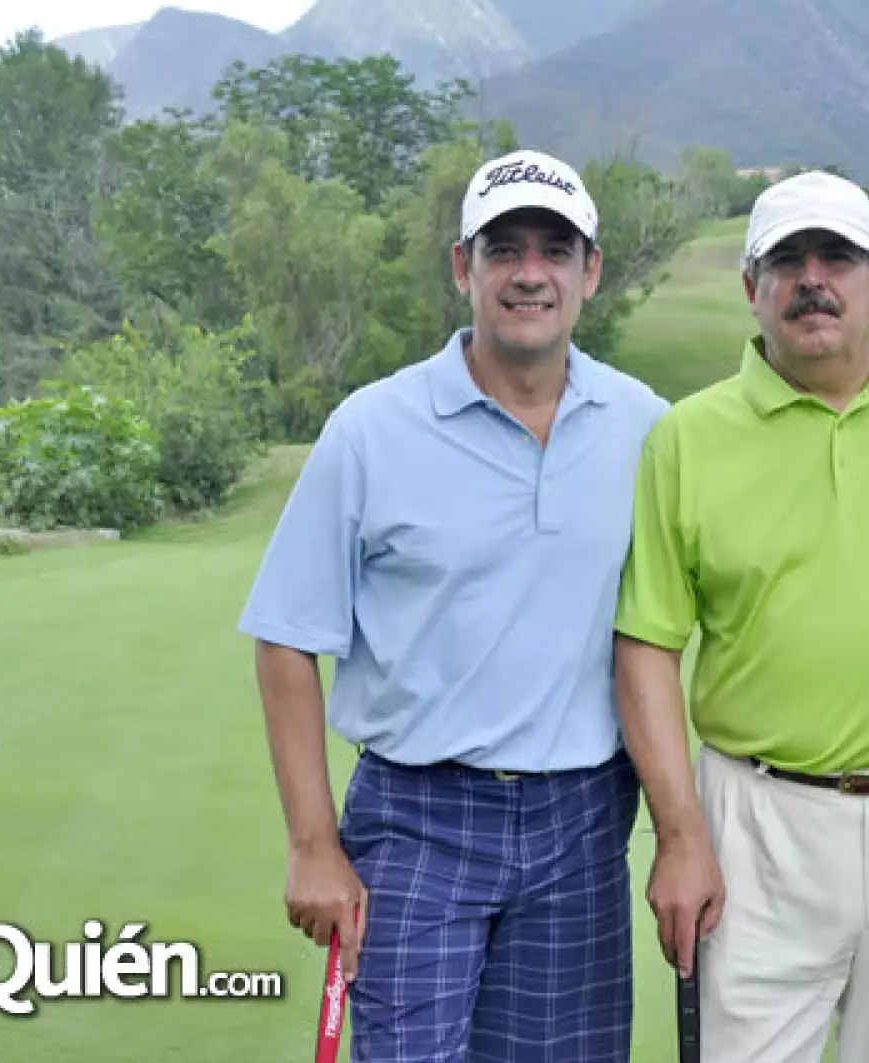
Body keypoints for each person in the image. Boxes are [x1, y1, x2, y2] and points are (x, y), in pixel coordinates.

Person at [237, 148, 667, 1062]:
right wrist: (313, 843)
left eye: (555, 249)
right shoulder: (371, 428)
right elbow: (285, 640)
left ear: (590, 272)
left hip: (583, 824)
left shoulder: (648, 428)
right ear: (461, 266)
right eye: (502, 247)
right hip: (415, 820)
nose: (528, 272)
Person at [612, 170, 869, 1063]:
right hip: (755, 823)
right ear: (753, 289)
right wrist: (679, 838)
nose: (811, 279)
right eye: (786, 261)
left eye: (837, 258)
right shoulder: (687, 437)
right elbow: (646, 652)